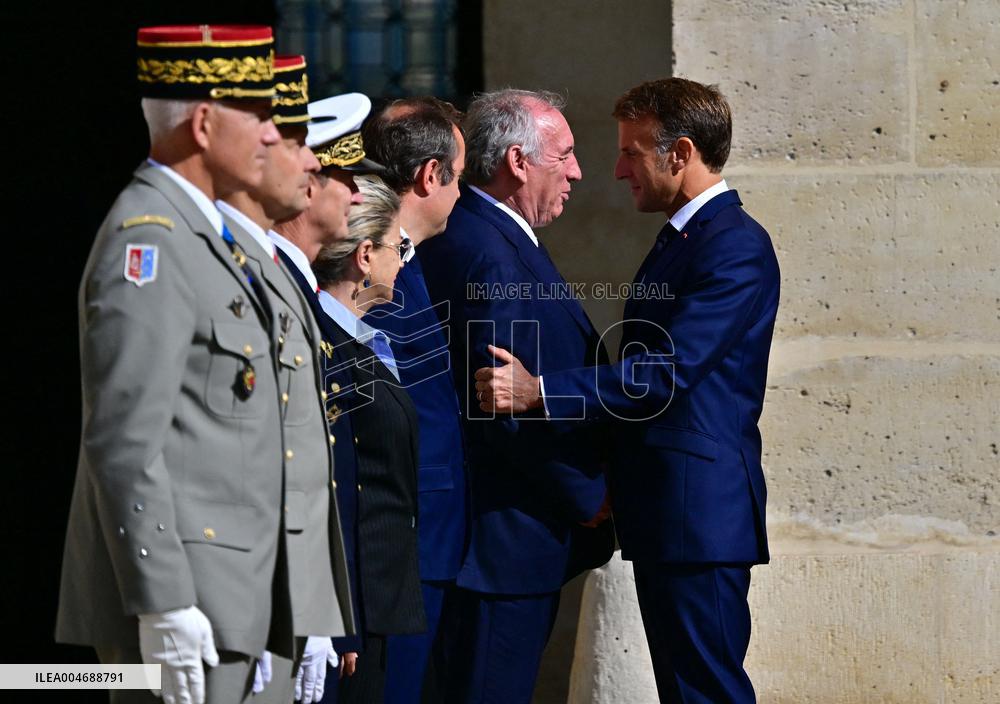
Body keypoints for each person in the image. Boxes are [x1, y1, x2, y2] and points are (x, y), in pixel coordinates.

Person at [56, 26, 353, 704]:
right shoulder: (152, 240)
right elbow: (126, 441)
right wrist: (162, 601)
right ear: (204, 121)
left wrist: (305, 606)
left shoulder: (209, 240)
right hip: (194, 598)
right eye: (261, 120)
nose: (275, 139)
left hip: (243, 598)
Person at [476, 78, 781, 703]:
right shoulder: (688, 238)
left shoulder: (734, 246)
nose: (616, 170)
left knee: (706, 690)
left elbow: (668, 373)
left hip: (698, 516)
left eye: (631, 153)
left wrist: (542, 393)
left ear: (680, 152)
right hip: (671, 513)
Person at [418, 88, 615, 703]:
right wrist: (590, 495)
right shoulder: (489, 253)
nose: (578, 172)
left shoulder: (484, 235)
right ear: (518, 162)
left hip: (498, 538)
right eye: (566, 155)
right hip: (504, 541)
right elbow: (498, 404)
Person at [215, 56, 354, 704]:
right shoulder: (192, 251)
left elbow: (303, 458)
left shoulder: (274, 270)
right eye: (288, 142)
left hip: (282, 593)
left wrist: (318, 606)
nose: (308, 165)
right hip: (228, 590)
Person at [359, 96, 467, 703]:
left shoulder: (412, 262)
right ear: (431, 176)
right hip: (402, 543)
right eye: (460, 175)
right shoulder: (373, 266)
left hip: (428, 538)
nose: (462, 194)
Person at [312, 175, 426, 703]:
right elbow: (334, 492)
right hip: (350, 610)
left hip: (378, 599)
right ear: (364, 256)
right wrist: (341, 620)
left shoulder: (364, 337)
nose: (403, 260)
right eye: (397, 246)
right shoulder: (324, 344)